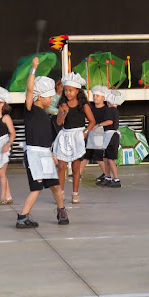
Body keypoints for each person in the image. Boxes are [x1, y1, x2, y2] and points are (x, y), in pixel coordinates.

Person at [16, 56, 69, 228]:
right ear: (39, 97)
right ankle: (23, 217)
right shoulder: (30, 110)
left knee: (55, 186)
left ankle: (61, 211)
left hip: (45, 154)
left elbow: (47, 137)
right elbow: (30, 89)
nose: (51, 99)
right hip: (33, 155)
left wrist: (51, 153)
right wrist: (33, 68)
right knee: (37, 187)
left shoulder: (46, 115)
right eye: (49, 97)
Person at [53, 72, 94, 203]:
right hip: (65, 135)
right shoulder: (63, 105)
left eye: (71, 90)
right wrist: (64, 113)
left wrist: (85, 132)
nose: (68, 93)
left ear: (77, 91)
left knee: (76, 167)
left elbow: (92, 121)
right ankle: (60, 193)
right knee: (61, 165)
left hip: (78, 136)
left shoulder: (84, 105)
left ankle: (75, 193)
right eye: (66, 90)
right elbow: (59, 122)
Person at [81, 85, 110, 185]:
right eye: (94, 95)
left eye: (97, 96)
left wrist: (99, 125)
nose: (95, 97)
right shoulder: (91, 108)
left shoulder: (106, 110)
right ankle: (78, 173)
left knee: (98, 156)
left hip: (101, 135)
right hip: (91, 134)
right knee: (86, 155)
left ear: (103, 97)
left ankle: (107, 175)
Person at [100, 89, 124, 188]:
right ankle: (108, 177)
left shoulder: (109, 110)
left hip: (110, 136)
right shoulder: (115, 110)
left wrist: (99, 125)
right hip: (112, 136)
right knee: (106, 158)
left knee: (110, 159)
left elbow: (109, 121)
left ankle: (116, 179)